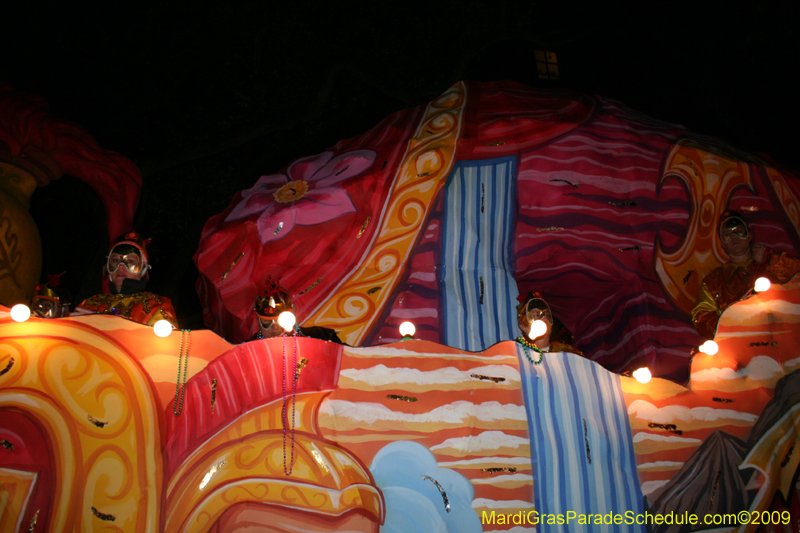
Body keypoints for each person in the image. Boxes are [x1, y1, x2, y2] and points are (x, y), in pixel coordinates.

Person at [692, 210, 800, 339]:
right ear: (722, 243)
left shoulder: (772, 261)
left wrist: (770, 259)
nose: (734, 237)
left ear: (749, 235)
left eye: (739, 230)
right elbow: (701, 315)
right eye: (727, 234)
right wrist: (731, 328)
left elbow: (796, 273)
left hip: (781, 336)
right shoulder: (713, 281)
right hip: (740, 345)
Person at [73, 232, 178, 328]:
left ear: (143, 269)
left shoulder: (157, 305)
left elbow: (162, 344)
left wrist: (103, 322)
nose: (121, 266)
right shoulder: (89, 304)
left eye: (130, 261)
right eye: (115, 260)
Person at [253, 276, 343, 343]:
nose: (275, 327)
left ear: (293, 311)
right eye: (266, 320)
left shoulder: (323, 337)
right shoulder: (244, 350)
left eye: (281, 319)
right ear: (257, 317)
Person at [515, 291, 583, 360]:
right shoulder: (516, 353)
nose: (545, 319)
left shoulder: (568, 352)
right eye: (537, 315)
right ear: (522, 325)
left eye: (547, 315)